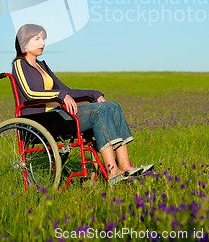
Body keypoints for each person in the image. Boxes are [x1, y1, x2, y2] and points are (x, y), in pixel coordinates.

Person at [12, 23, 153, 185]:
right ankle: (113, 172)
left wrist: (93, 93)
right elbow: (29, 93)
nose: (43, 43)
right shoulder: (19, 64)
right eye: (37, 39)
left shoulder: (42, 66)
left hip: (56, 115)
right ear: (24, 43)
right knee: (99, 112)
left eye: (43, 39)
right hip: (40, 120)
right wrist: (60, 95)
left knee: (112, 106)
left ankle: (126, 166)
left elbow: (66, 90)